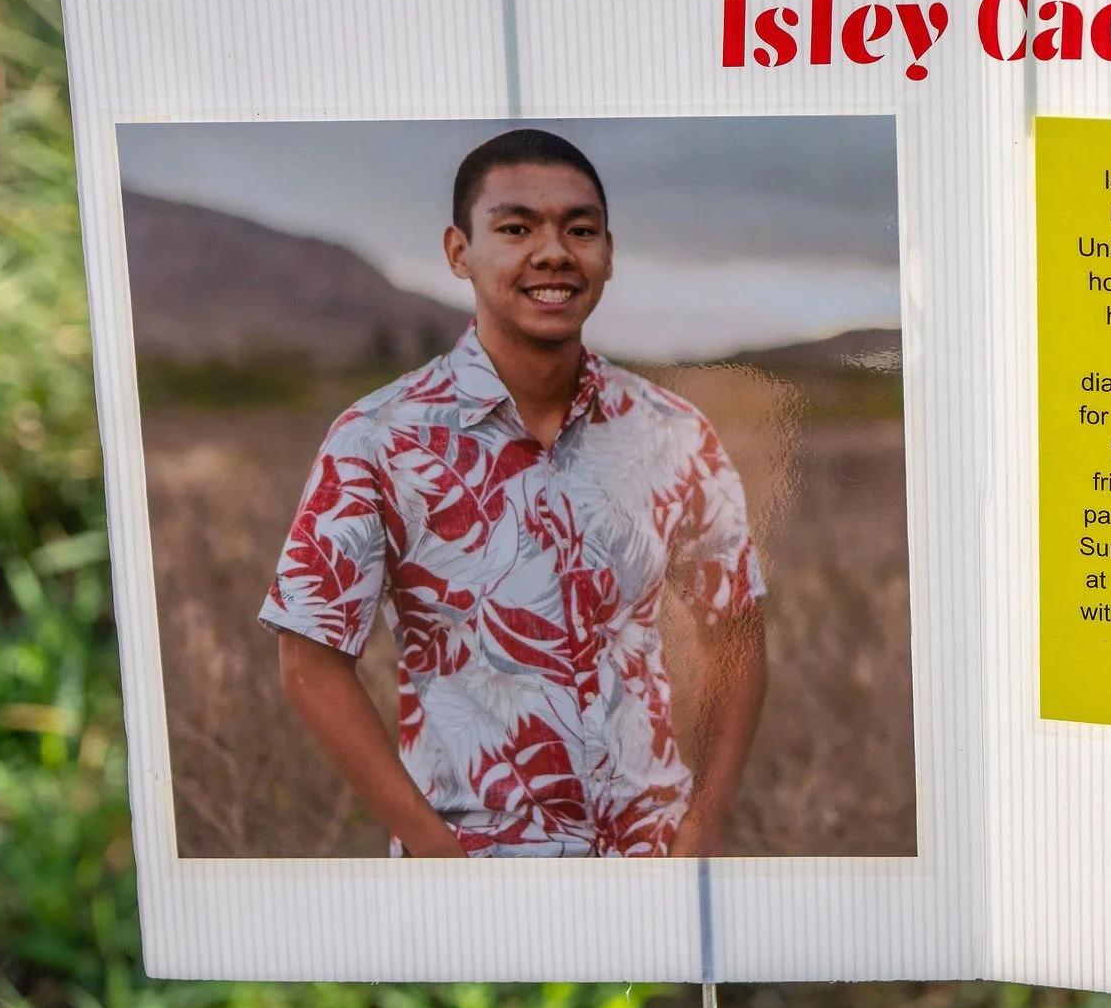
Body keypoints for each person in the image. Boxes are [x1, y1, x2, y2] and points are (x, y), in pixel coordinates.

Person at [261, 127, 768, 858]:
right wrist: (429, 843)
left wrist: (709, 818)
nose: (554, 251)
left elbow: (736, 630)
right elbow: (309, 656)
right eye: (516, 227)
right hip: (474, 876)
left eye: (580, 228)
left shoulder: (672, 433)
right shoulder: (380, 438)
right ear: (459, 251)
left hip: (654, 870)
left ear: (609, 252)